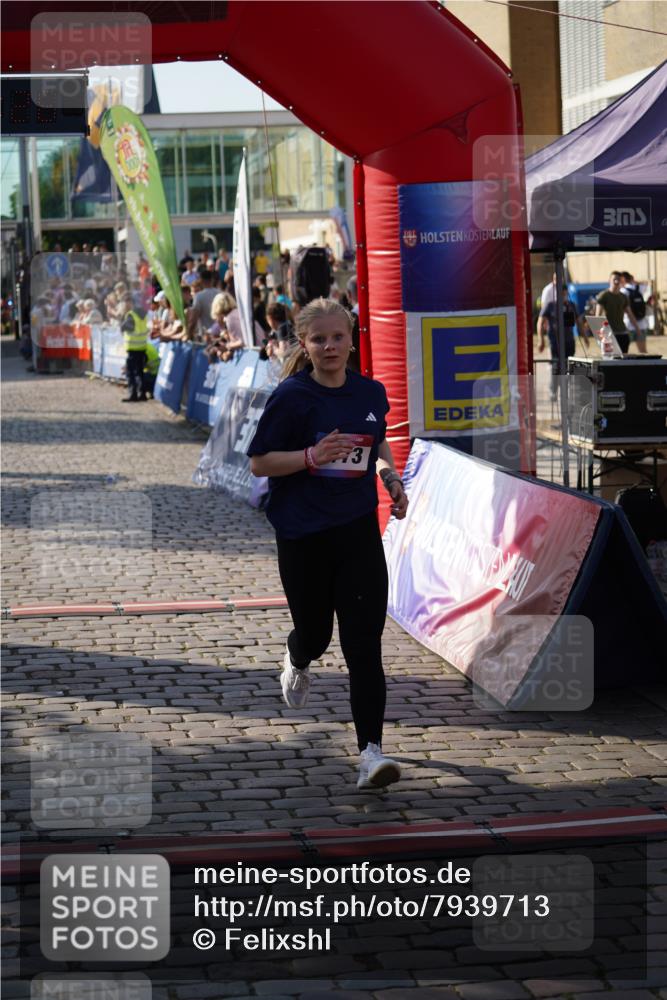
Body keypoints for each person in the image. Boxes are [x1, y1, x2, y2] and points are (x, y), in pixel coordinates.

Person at [247, 297, 409, 790]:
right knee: (316, 636)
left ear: (351, 337)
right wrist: (311, 456)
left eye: (338, 337)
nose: (330, 346)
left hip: (356, 531)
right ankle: (297, 657)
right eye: (319, 339)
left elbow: (375, 439)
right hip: (303, 535)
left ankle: (371, 754)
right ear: (305, 344)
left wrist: (389, 475)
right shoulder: (292, 397)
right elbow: (260, 463)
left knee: (364, 647)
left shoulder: (369, 391)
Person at [537, 286, 587, 400]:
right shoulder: (550, 306)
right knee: (556, 366)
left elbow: (579, 321)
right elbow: (540, 322)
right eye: (561, 294)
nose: (564, 296)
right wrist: (541, 340)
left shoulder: (571, 305)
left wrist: (585, 336)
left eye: (565, 293)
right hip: (555, 342)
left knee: (569, 366)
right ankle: (553, 391)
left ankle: (567, 392)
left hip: (569, 341)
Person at [596, 271, 640, 355]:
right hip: (609, 334)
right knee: (610, 359)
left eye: (618, 279)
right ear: (609, 280)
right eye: (614, 279)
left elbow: (630, 314)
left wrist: (637, 329)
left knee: (623, 360)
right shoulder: (603, 295)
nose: (616, 281)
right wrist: (599, 334)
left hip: (622, 333)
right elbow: (597, 316)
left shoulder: (623, 297)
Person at [120, 294, 148, 402]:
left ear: (130, 303)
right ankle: (143, 394)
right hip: (142, 346)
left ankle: (133, 394)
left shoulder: (131, 315)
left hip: (133, 346)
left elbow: (126, 327)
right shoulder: (143, 314)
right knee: (140, 371)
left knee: (130, 372)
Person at [620, 272, 648, 354]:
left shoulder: (623, 291)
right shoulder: (639, 288)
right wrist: (635, 282)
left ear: (623, 279)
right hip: (642, 324)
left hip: (628, 325)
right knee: (643, 352)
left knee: (623, 352)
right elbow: (646, 283)